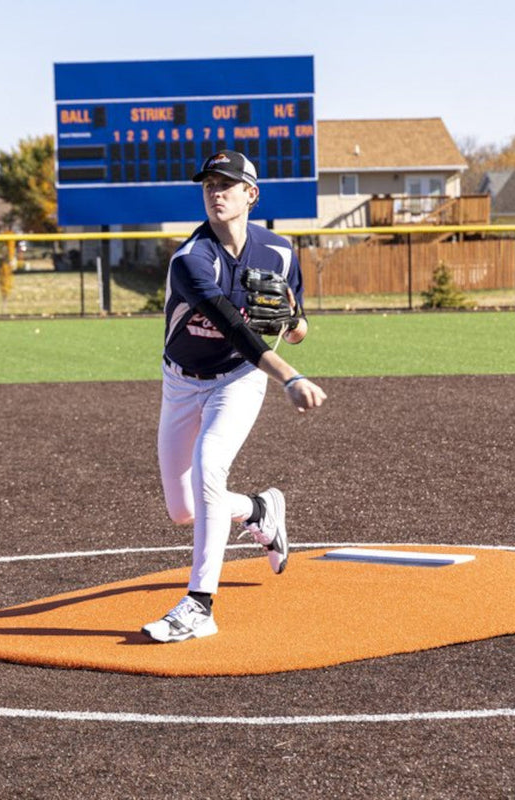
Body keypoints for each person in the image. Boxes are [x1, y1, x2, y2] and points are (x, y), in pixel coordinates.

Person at [141, 150, 327, 643]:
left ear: (251, 194)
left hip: (239, 380)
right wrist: (289, 377)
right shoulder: (191, 260)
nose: (215, 192)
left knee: (209, 466)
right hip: (182, 383)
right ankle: (258, 510)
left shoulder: (279, 252)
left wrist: (290, 323)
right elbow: (235, 328)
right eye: (208, 184)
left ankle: (200, 605)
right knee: (183, 510)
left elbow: (299, 326)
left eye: (226, 184)